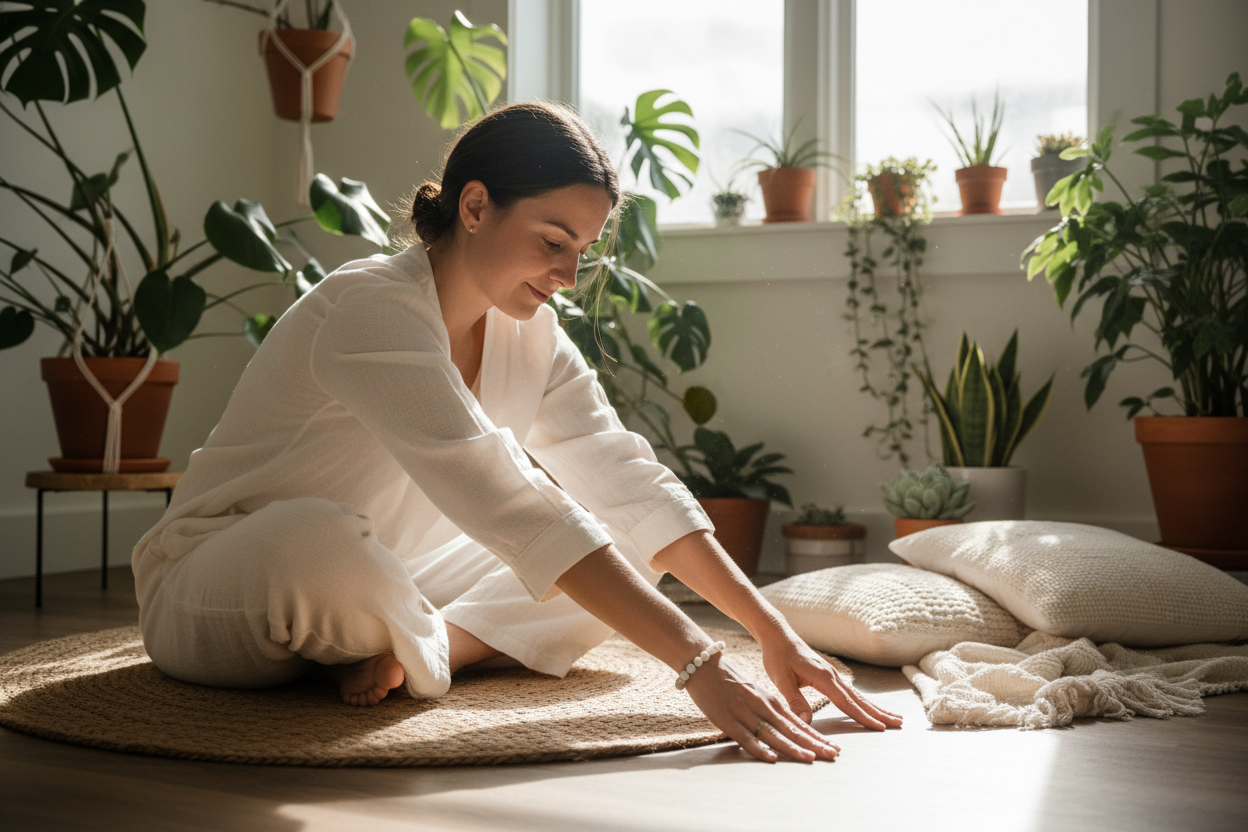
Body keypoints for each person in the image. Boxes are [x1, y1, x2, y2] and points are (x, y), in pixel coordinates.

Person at [131, 101, 901, 763]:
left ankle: (408, 647)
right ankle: (404, 638)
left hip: (393, 574)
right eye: (552, 240)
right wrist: (698, 660)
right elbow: (504, 496)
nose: (569, 274)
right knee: (318, 540)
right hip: (228, 580)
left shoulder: (532, 332)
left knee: (620, 535)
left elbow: (627, 477)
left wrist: (772, 634)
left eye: (583, 252)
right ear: (474, 208)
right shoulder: (365, 307)